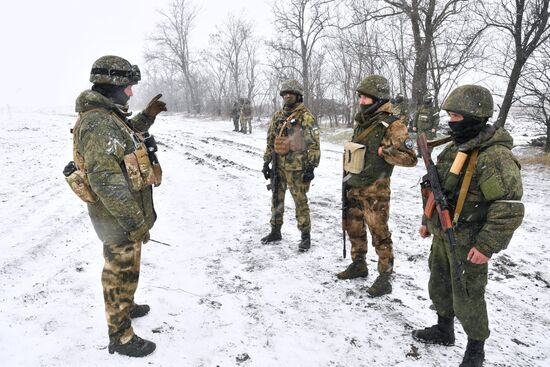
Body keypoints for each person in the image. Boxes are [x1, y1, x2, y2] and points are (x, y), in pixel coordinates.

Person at [412, 85, 524, 367]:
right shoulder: (454, 148)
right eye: (449, 116)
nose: (450, 122)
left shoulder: (494, 156)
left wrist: (486, 246)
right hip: (443, 233)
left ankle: (475, 351)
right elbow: (437, 191)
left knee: (469, 295)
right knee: (439, 284)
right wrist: (428, 222)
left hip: (470, 241)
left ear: (475, 117)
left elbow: (507, 207)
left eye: (456, 117)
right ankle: (443, 329)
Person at [71, 55, 167, 357]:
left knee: (129, 267)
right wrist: (136, 223)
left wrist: (148, 115)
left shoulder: (108, 116)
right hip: (117, 219)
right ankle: (121, 337)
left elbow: (125, 137)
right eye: (126, 88)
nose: (130, 93)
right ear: (111, 86)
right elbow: (107, 183)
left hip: (123, 217)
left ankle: (128, 304)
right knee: (118, 274)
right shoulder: (98, 123)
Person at [336, 75, 417, 297]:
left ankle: (384, 277)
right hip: (354, 183)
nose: (361, 101)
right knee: (354, 227)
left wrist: (386, 152)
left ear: (379, 100)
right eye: (360, 97)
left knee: (379, 233)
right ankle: (359, 264)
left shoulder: (393, 125)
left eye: (366, 98)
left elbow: (410, 158)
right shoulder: (363, 120)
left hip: (375, 189)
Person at [261, 79, 320, 251]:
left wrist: (311, 167)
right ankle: (275, 230)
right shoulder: (278, 115)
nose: (287, 95)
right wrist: (266, 161)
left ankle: (305, 236)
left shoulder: (305, 116)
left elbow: (314, 144)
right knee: (276, 199)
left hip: (297, 168)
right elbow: (271, 139)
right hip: (278, 165)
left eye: (291, 93)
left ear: (298, 95)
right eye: (285, 93)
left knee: (300, 202)